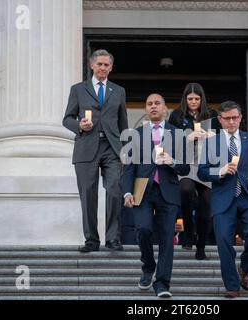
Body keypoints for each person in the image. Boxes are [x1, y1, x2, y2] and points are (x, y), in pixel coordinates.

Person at [197, 101, 248, 298]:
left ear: (240, 118)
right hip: (223, 197)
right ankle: (232, 285)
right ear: (220, 120)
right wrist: (220, 171)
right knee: (223, 240)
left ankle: (246, 269)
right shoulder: (211, 142)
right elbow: (202, 172)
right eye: (227, 118)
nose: (231, 122)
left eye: (235, 118)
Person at [121, 93, 190, 298]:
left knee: (167, 238)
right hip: (142, 190)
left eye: (157, 103)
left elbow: (185, 168)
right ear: (145, 109)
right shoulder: (136, 134)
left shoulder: (177, 134)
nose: (153, 107)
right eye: (149, 103)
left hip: (167, 191)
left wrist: (172, 161)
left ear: (165, 108)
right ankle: (148, 267)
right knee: (142, 229)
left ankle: (162, 283)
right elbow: (129, 167)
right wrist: (127, 191)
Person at [62, 49, 128, 253]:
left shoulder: (118, 91)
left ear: (111, 68)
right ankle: (91, 240)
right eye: (99, 64)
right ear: (91, 65)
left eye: (106, 65)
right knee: (88, 195)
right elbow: (67, 119)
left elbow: (123, 122)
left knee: (114, 191)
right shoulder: (78, 89)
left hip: (112, 148)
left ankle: (113, 239)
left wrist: (125, 150)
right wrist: (79, 126)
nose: (103, 68)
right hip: (86, 147)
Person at [168, 82, 221, 260]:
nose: (193, 102)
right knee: (186, 190)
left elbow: (224, 138)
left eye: (196, 99)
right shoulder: (177, 115)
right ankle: (188, 233)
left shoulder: (212, 115)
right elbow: (170, 140)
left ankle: (201, 244)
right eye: (190, 98)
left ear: (202, 99)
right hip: (186, 164)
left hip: (206, 163)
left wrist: (213, 136)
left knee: (206, 205)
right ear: (185, 99)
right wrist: (187, 137)